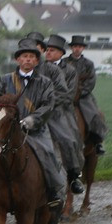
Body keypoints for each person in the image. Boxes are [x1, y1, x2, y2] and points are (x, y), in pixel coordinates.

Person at [0, 38, 67, 208]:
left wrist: (32, 120)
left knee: (49, 156)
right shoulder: (4, 80)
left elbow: (48, 105)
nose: (27, 60)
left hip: (36, 131)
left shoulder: (45, 83)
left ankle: (55, 193)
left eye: (32, 57)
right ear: (18, 59)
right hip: (8, 132)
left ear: (37, 61)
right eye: (24, 56)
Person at [29, 32, 84, 195]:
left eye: (50, 50)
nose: (48, 53)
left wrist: (46, 103)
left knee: (68, 139)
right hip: (28, 112)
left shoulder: (62, 70)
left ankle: (74, 175)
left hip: (56, 112)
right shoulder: (23, 69)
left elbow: (66, 95)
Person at [65, 35, 107, 156]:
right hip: (66, 94)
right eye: (74, 46)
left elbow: (91, 82)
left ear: (82, 48)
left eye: (79, 47)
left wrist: (80, 93)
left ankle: (98, 141)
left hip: (84, 96)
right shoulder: (64, 62)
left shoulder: (89, 64)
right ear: (71, 48)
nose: (77, 49)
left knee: (95, 115)